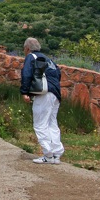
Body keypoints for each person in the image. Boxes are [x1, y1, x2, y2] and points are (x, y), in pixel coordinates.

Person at [20, 36, 64, 164]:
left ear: (27, 49)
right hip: (55, 94)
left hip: (44, 94)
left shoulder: (31, 57)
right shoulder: (48, 59)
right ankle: (56, 155)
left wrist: (25, 92)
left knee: (40, 124)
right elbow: (58, 74)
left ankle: (48, 154)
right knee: (52, 123)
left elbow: (27, 74)